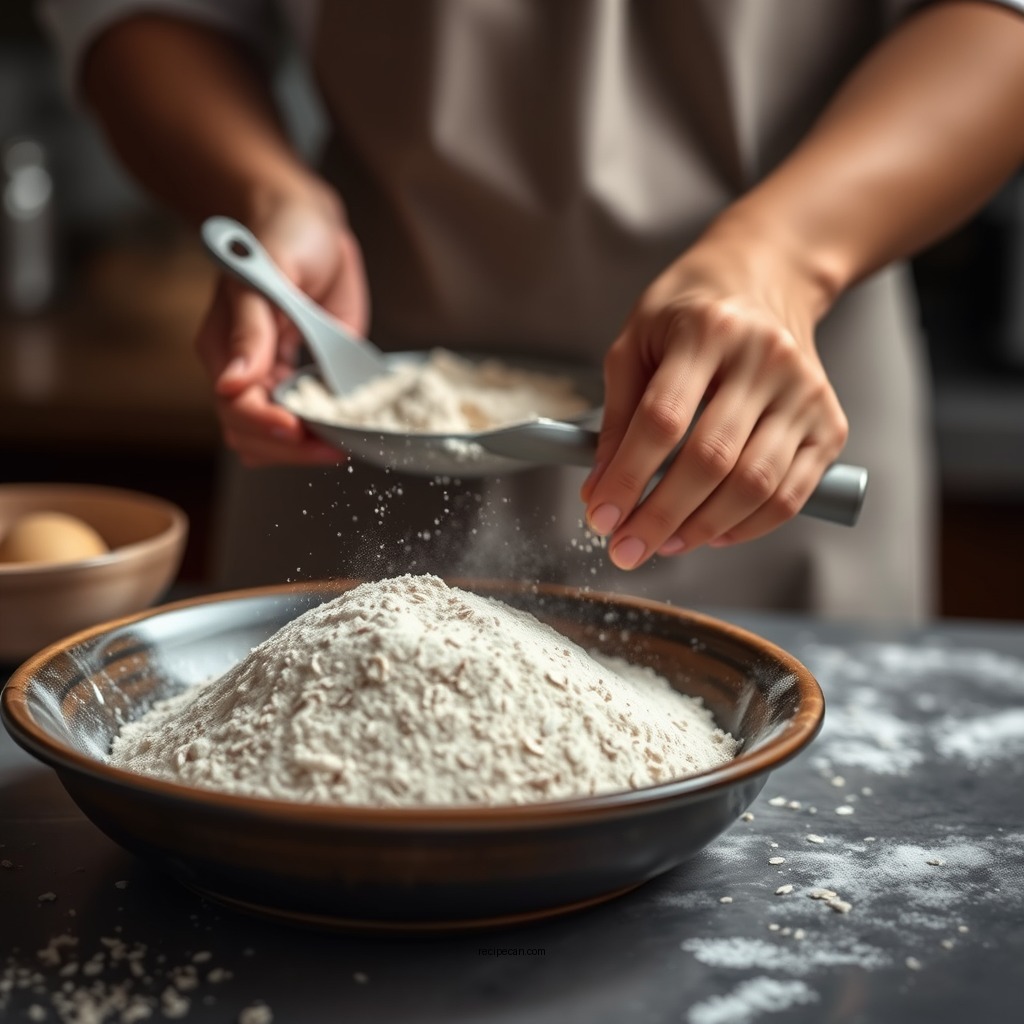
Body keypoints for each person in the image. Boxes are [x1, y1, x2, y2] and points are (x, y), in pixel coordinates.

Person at [40, 0, 1024, 621]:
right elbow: (142, 13)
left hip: (762, 401)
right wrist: (263, 192)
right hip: (363, 379)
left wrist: (781, 258)